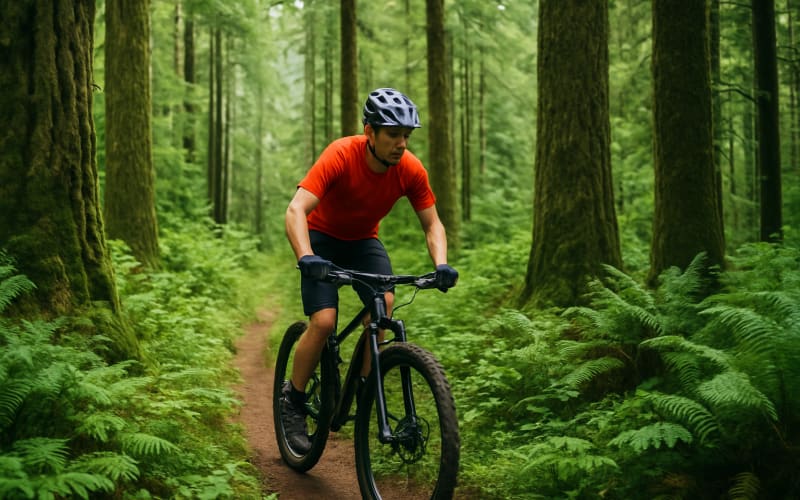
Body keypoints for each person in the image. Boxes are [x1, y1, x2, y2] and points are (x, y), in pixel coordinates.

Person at [282, 87, 458, 453]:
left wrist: (440, 264)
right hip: (322, 238)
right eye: (393, 135)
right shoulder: (340, 155)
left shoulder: (409, 169)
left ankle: (364, 389)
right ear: (369, 132)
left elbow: (433, 224)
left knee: (386, 304)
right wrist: (306, 256)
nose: (401, 144)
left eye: (406, 136)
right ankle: (293, 401)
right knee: (325, 321)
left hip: (363, 242)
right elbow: (296, 210)